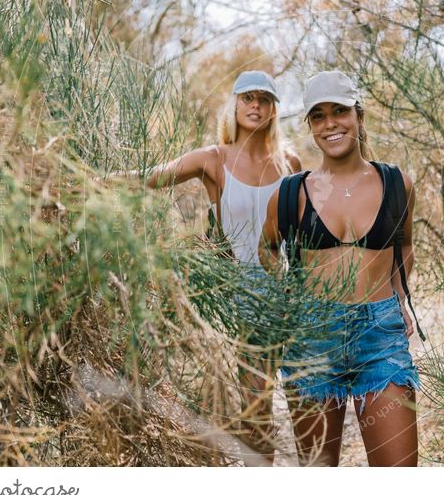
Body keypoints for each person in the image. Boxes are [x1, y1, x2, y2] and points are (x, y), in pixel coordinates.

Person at [108, 70, 301, 465]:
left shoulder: (290, 162)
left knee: (283, 401)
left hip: (281, 296)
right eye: (248, 98)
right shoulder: (213, 159)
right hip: (232, 294)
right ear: (234, 104)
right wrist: (91, 180)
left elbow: (304, 229)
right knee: (238, 403)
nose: (256, 106)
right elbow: (149, 178)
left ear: (273, 110)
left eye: (264, 100)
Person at [259, 70, 421, 466]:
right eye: (318, 116)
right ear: (310, 125)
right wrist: (287, 302)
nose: (330, 123)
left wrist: (399, 296)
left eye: (339, 111)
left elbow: (404, 245)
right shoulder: (291, 192)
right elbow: (266, 248)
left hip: (380, 337)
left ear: (358, 114)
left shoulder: (398, 182)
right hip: (312, 337)